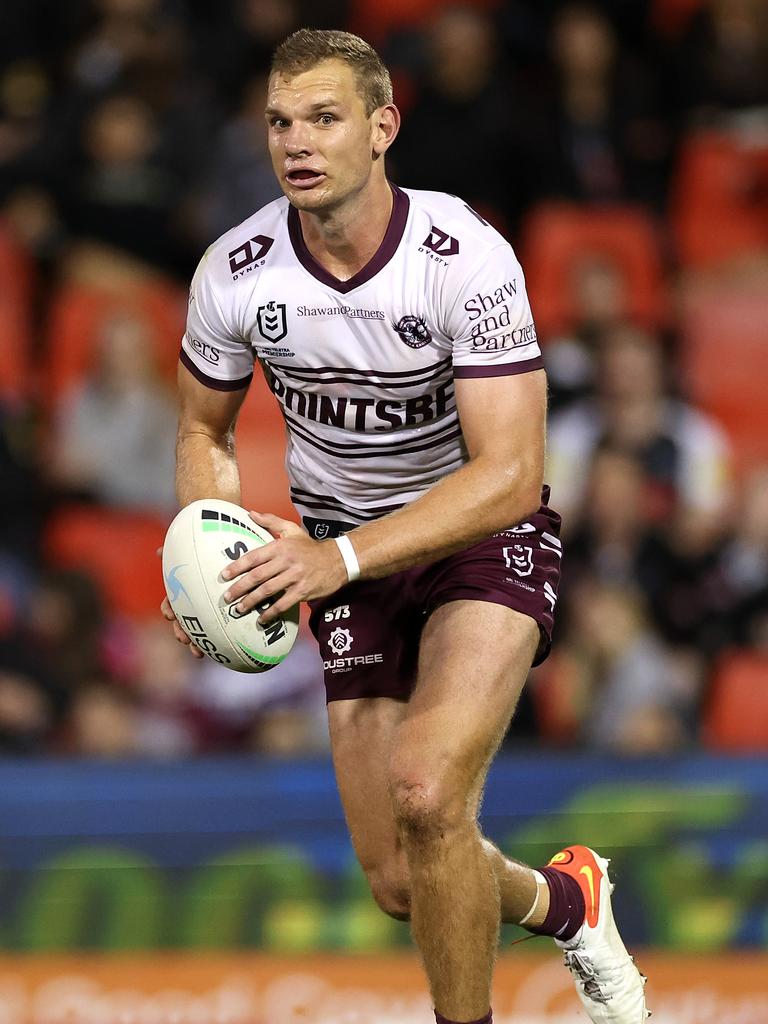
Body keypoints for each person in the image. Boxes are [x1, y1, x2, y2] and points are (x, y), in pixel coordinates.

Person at [161, 28, 649, 1024]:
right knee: (398, 878)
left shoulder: (465, 257)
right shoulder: (236, 271)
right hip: (343, 558)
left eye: (325, 118)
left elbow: (512, 475)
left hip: (477, 536)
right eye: (280, 122)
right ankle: (569, 900)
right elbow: (203, 429)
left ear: (383, 127)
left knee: (428, 793)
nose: (297, 141)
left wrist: (330, 557)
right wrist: (197, 554)